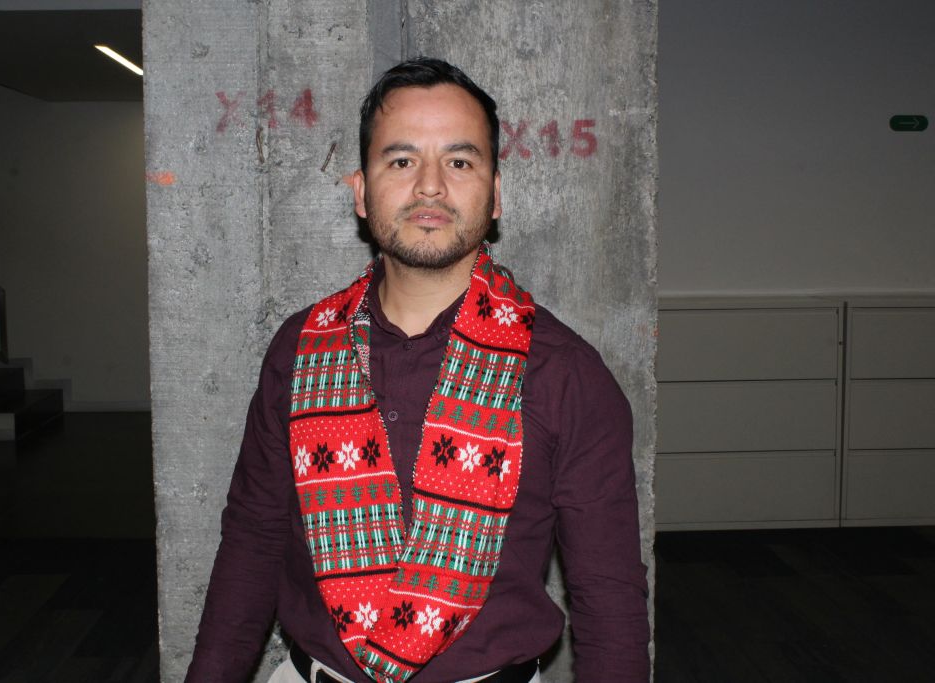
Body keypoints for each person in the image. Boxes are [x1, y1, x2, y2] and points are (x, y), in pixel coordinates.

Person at [186, 57, 649, 683]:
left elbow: (609, 597)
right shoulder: (299, 351)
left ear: (495, 195)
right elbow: (253, 540)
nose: (430, 186)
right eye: (401, 161)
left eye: (459, 162)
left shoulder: (565, 374)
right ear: (361, 191)